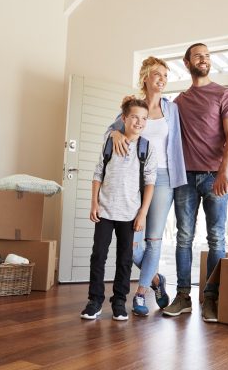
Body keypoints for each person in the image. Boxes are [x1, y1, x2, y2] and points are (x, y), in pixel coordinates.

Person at [161, 43, 228, 322]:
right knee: (183, 238)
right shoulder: (179, 101)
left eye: (207, 56)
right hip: (184, 179)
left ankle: (211, 299)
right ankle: (183, 297)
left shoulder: (224, 94)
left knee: (217, 237)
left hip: (214, 178)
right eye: (198, 56)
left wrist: (223, 172)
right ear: (187, 63)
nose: (204, 60)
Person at [108, 56, 187, 316]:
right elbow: (108, 131)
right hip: (133, 178)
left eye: (165, 75)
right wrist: (116, 133)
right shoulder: (135, 107)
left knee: (153, 239)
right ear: (145, 77)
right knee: (131, 242)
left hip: (163, 178)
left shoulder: (171, 109)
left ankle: (140, 295)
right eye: (157, 74)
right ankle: (155, 280)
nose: (162, 79)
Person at [80, 99, 157, 321]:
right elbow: (98, 173)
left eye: (144, 118)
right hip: (104, 209)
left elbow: (150, 182)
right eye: (134, 116)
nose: (139, 122)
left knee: (124, 258)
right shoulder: (109, 140)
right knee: (98, 255)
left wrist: (142, 212)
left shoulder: (147, 147)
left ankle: (120, 301)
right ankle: (94, 300)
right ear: (123, 118)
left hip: (130, 213)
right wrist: (94, 203)